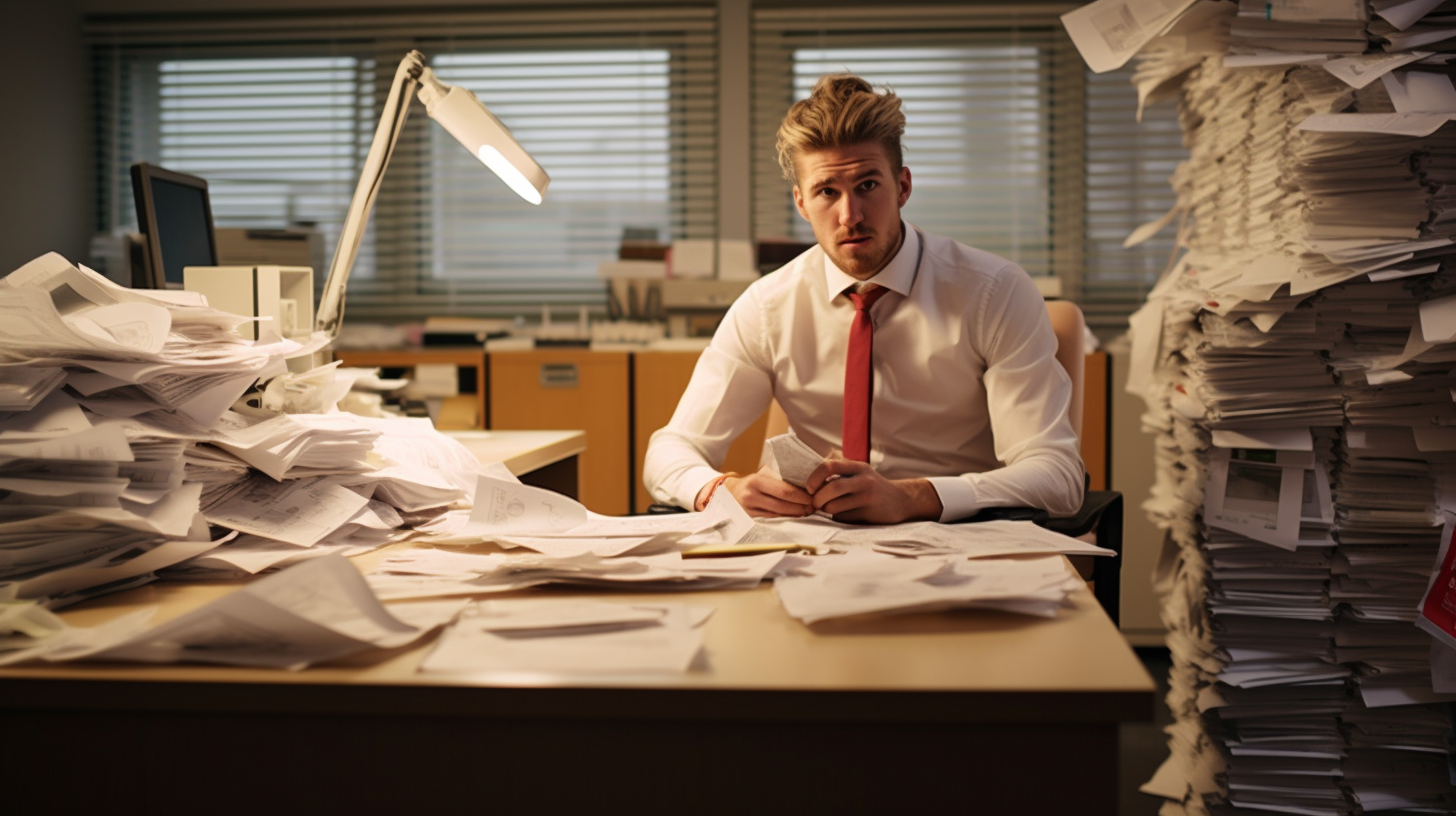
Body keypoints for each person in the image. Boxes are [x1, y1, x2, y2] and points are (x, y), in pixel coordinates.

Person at [642, 73, 1084, 524]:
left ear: (903, 187)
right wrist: (723, 488)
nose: (849, 215)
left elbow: (1057, 476)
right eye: (827, 192)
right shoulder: (767, 307)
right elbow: (670, 451)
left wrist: (914, 497)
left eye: (868, 186)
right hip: (813, 548)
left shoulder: (995, 292)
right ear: (800, 202)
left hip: (958, 538)